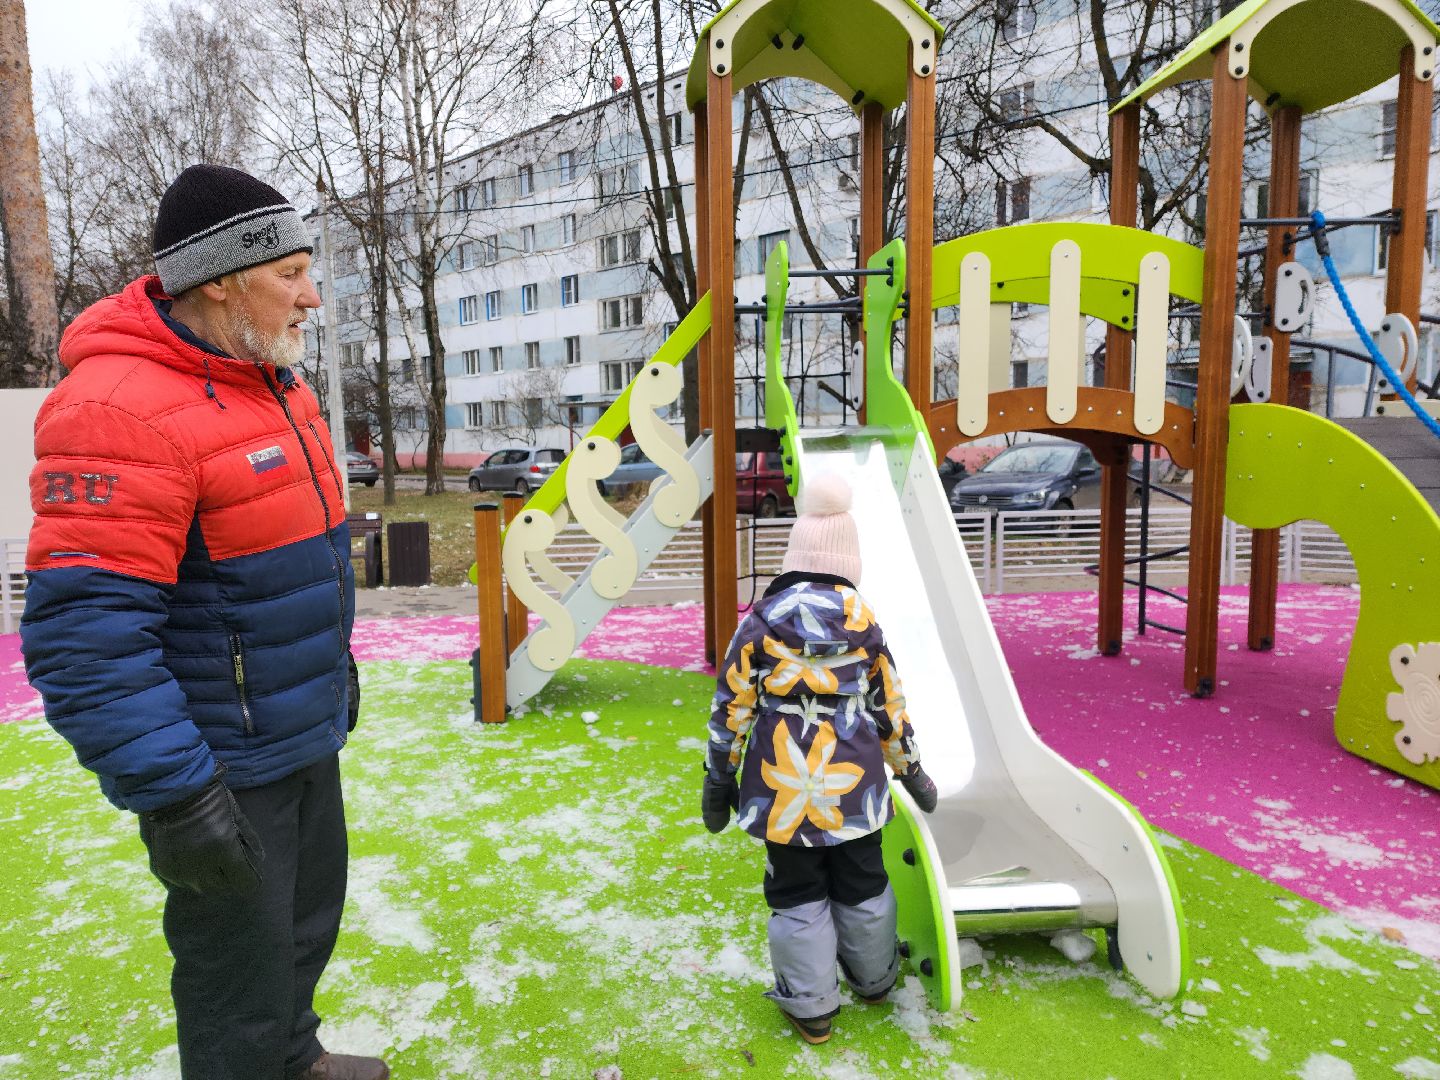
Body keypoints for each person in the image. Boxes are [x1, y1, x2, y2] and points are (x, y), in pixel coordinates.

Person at [21, 164, 386, 1080]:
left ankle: (295, 1056)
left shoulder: (271, 380)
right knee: (234, 978)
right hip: (217, 762)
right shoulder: (117, 407)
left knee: (303, 929)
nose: (311, 296)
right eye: (291, 272)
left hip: (297, 733)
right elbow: (83, 635)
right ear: (221, 278)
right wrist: (177, 794)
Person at [701, 472, 938, 1044]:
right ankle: (875, 978)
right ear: (847, 562)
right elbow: (890, 706)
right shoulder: (865, 625)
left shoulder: (759, 624)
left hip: (784, 790)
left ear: (795, 556)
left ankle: (811, 1009)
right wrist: (910, 769)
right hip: (853, 783)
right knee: (863, 880)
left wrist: (719, 777)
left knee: (796, 891)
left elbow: (732, 704)